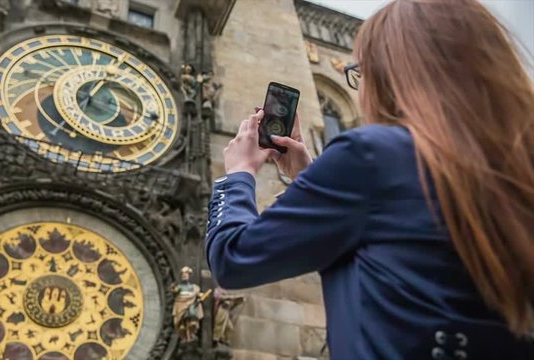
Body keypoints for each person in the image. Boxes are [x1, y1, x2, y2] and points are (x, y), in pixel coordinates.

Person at [204, 0, 534, 359]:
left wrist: (238, 174)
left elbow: (232, 258)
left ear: (390, 75)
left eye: (358, 73)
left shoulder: (371, 156)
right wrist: (315, 178)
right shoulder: (514, 175)